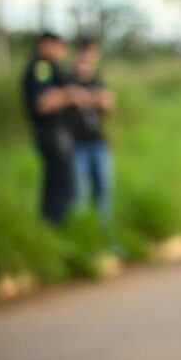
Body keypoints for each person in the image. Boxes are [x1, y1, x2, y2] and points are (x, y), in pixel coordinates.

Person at [21, 31, 87, 225]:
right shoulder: (42, 67)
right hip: (52, 136)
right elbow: (43, 102)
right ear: (45, 44)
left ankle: (50, 231)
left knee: (57, 186)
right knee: (63, 187)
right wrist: (71, 95)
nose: (62, 51)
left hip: (58, 136)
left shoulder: (52, 68)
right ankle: (55, 230)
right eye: (59, 46)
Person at [67, 38, 117, 226]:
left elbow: (108, 105)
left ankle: (103, 230)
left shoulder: (97, 79)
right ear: (78, 54)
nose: (89, 59)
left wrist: (103, 102)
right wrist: (76, 97)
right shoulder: (68, 79)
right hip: (76, 143)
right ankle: (81, 232)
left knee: (104, 189)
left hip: (98, 142)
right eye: (86, 54)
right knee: (79, 192)